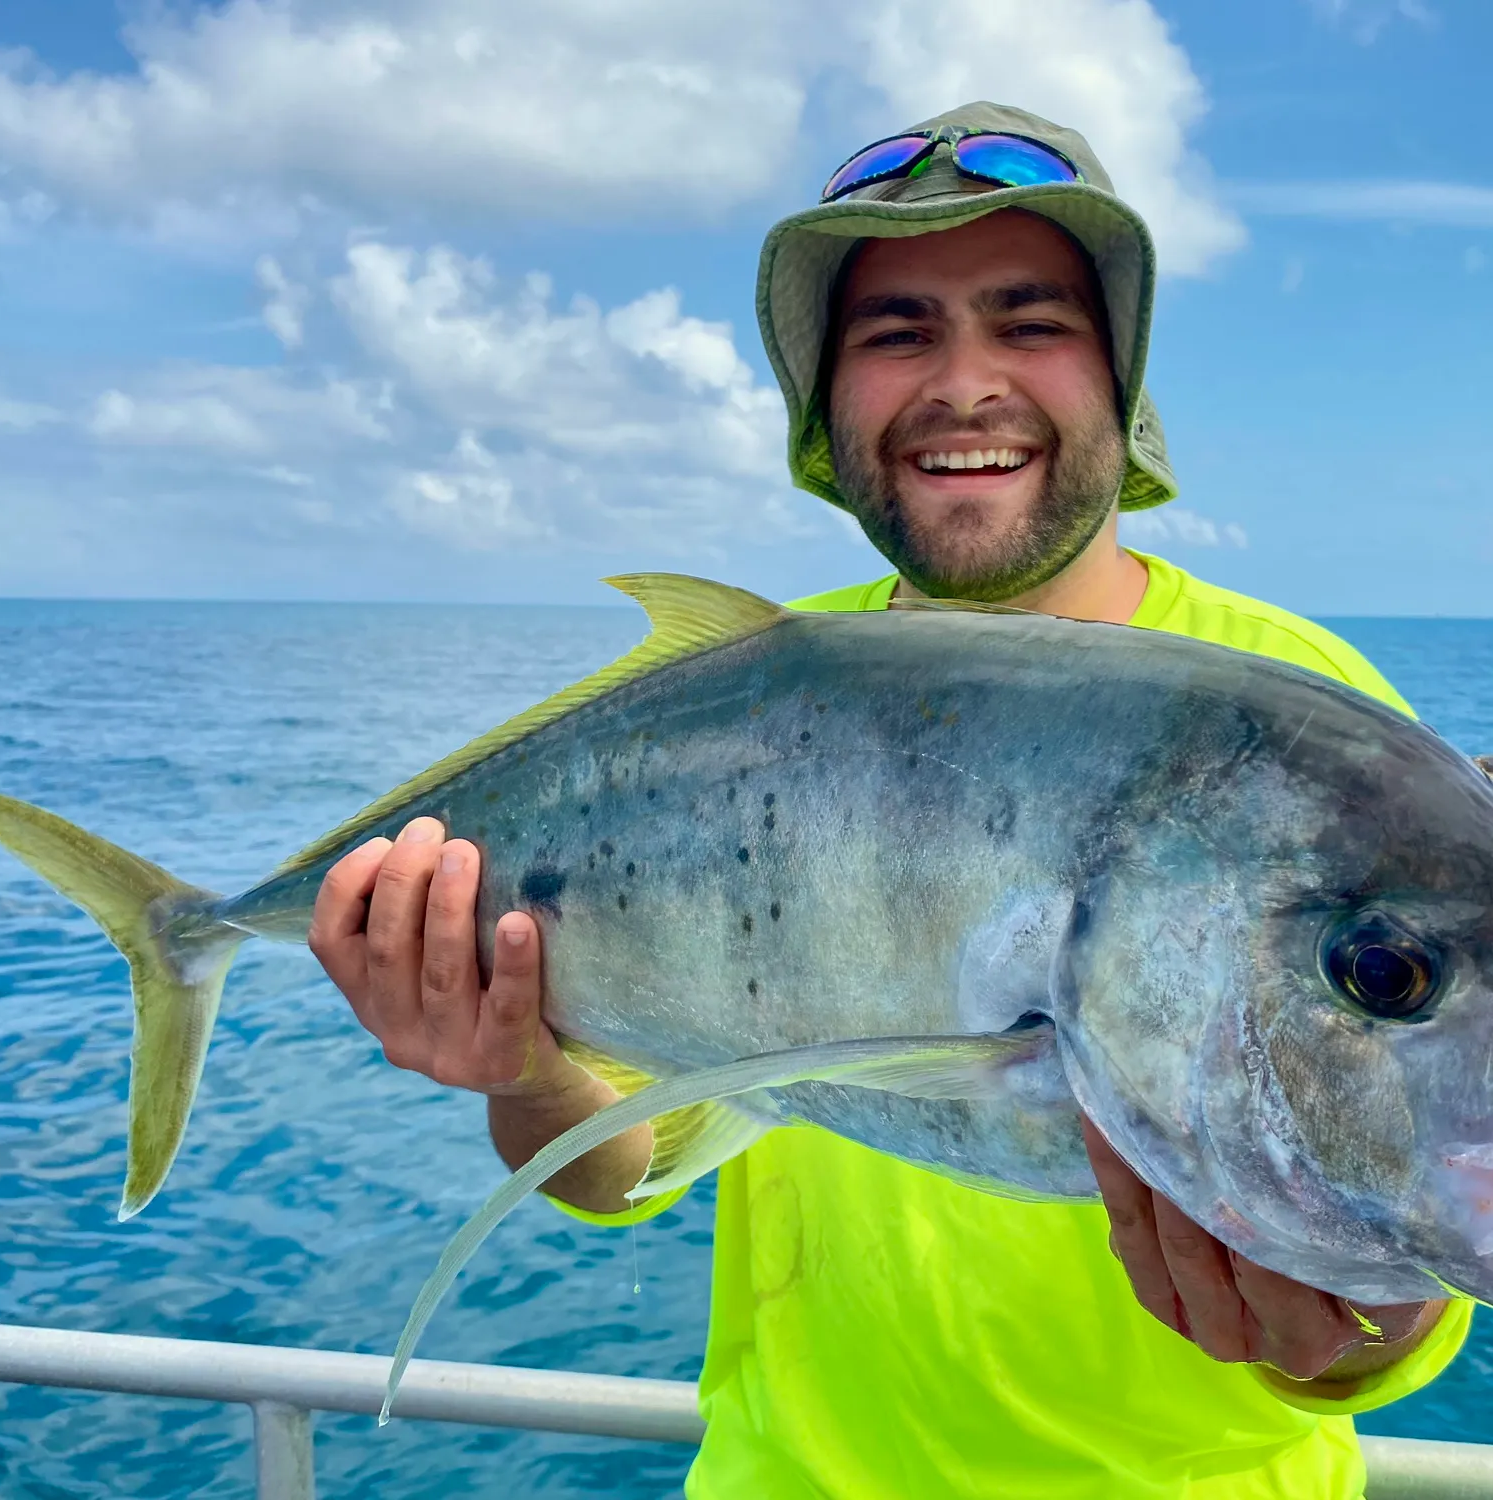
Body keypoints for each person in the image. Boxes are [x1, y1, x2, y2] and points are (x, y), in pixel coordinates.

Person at [309, 103, 1472, 1497]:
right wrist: (518, 1072)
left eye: (1031, 323)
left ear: (1122, 378)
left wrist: (1354, 1332)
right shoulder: (748, 699)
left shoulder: (1305, 711)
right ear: (826, 403)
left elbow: (1409, 1251)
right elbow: (628, 1166)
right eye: (898, 331)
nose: (965, 383)